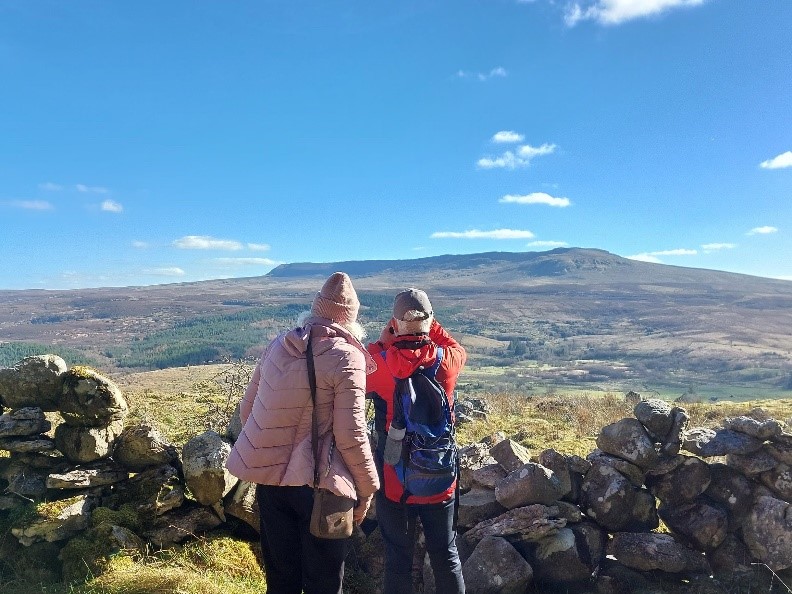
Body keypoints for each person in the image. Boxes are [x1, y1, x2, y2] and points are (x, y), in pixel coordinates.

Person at [226, 272, 380, 594]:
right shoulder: (347, 356)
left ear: (314, 310)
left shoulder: (278, 346)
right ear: (350, 319)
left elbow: (248, 410)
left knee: (281, 582)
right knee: (323, 584)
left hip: (271, 486)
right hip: (320, 489)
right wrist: (367, 489)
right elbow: (351, 433)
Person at [366, 288, 467, 594]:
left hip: (395, 481)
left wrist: (387, 337)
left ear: (395, 323)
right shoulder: (447, 363)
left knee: (398, 559)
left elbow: (362, 360)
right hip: (441, 477)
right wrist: (430, 324)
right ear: (431, 321)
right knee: (446, 556)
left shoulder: (379, 365)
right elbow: (456, 346)